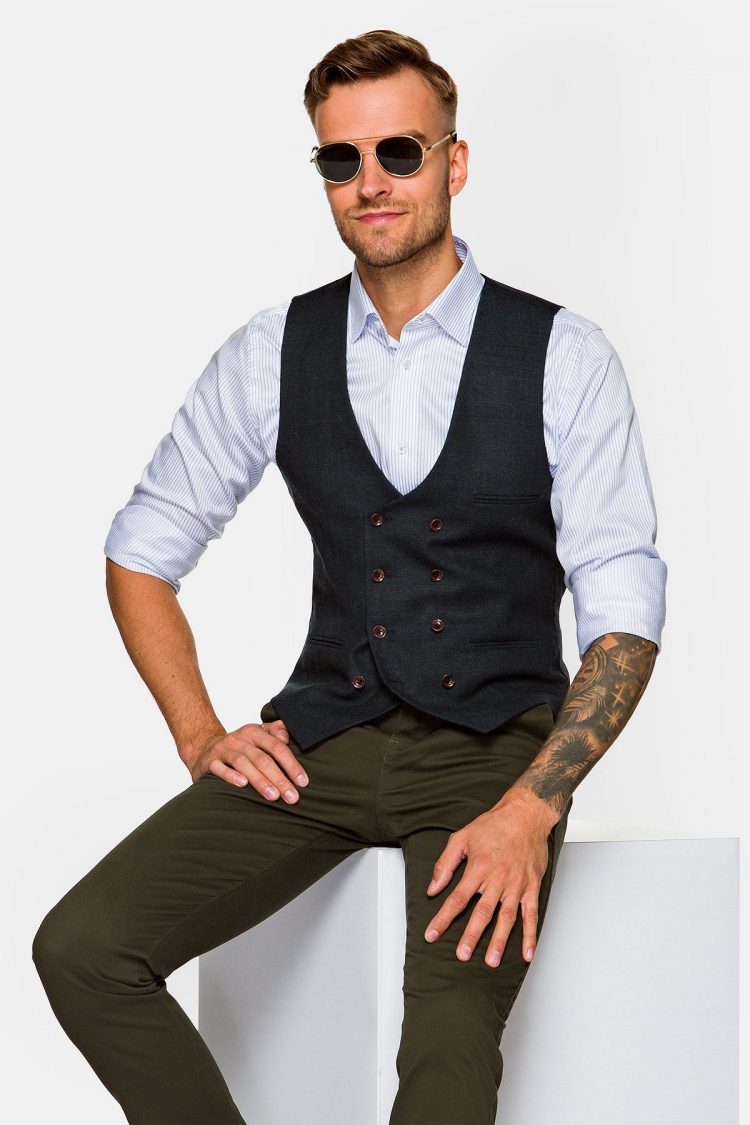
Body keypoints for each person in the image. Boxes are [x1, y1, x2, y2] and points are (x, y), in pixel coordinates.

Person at [32, 27, 667, 1125]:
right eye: (342, 158)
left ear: (454, 164)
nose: (371, 182)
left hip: (490, 757)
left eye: (399, 152)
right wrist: (200, 733)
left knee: (448, 1058)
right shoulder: (272, 351)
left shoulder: (564, 355)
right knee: (84, 948)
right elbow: (142, 549)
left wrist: (534, 805)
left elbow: (623, 615)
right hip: (322, 742)